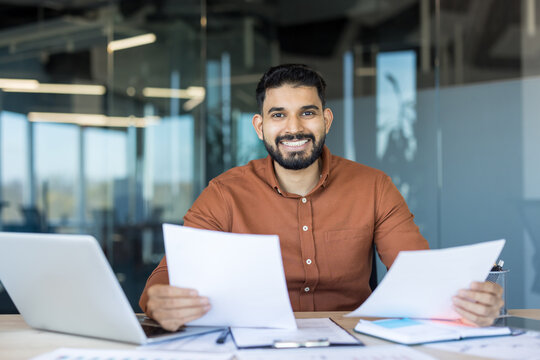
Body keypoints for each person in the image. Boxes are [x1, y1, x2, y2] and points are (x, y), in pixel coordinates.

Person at [139, 64, 504, 331]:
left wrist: (468, 303)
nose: (294, 128)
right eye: (278, 115)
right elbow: (166, 277)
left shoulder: (373, 186)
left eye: (307, 113)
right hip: (256, 344)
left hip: (354, 342)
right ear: (260, 126)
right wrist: (159, 301)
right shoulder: (224, 193)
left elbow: (420, 272)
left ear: (326, 120)